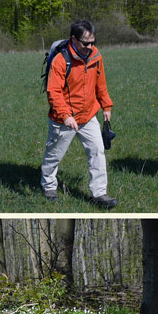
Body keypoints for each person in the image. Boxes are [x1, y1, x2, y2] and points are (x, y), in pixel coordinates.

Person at [40, 20, 117, 208]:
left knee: (97, 151)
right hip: (63, 119)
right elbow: (54, 92)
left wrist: (106, 106)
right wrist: (66, 116)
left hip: (88, 115)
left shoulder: (96, 56)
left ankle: (99, 193)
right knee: (54, 154)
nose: (90, 47)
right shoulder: (60, 60)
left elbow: (101, 83)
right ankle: (48, 185)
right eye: (85, 43)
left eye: (93, 41)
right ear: (73, 39)